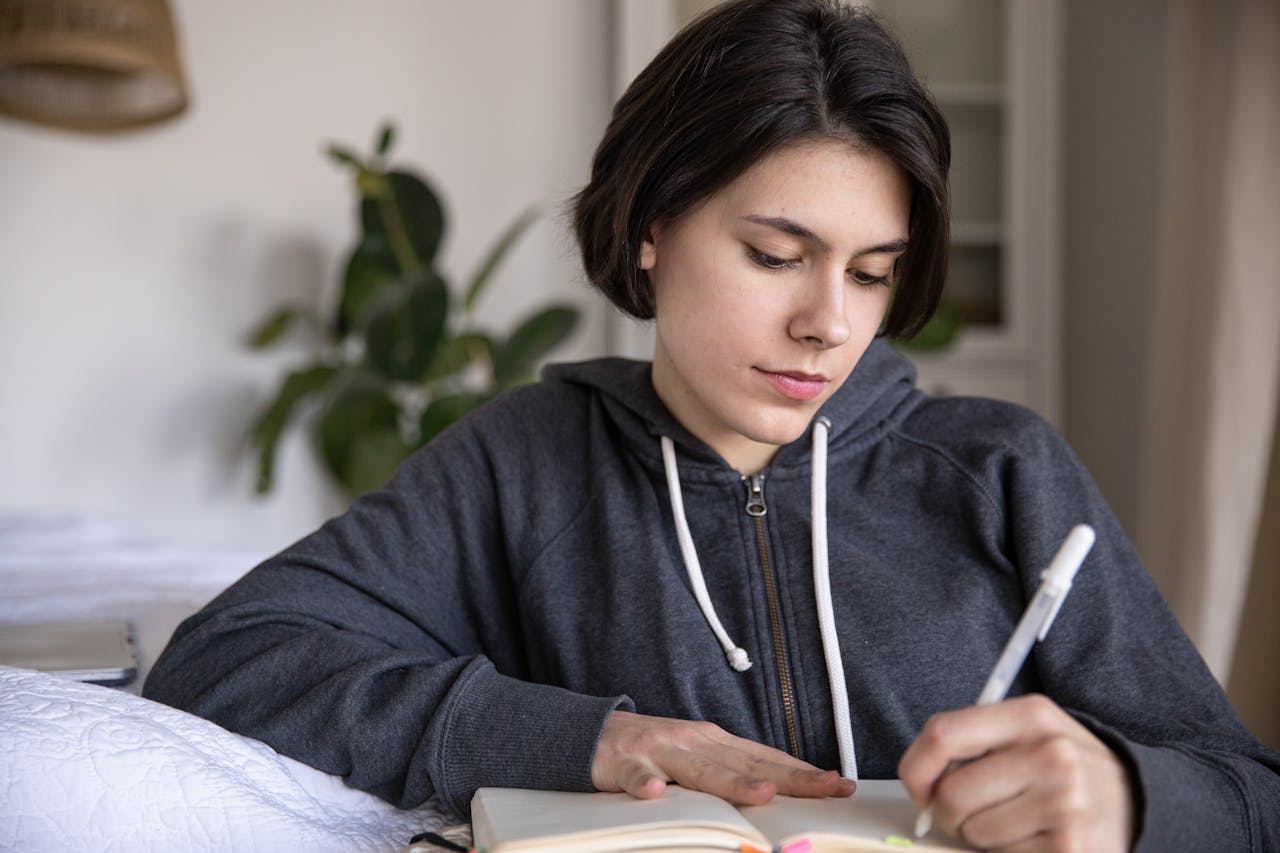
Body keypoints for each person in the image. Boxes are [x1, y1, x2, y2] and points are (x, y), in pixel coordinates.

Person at [144, 1, 1280, 850]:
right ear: (648, 226)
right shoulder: (522, 463)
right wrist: (593, 738)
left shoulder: (998, 469)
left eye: (872, 273)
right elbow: (228, 660)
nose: (825, 323)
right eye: (774, 256)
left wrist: (1129, 795)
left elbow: (1249, 790)